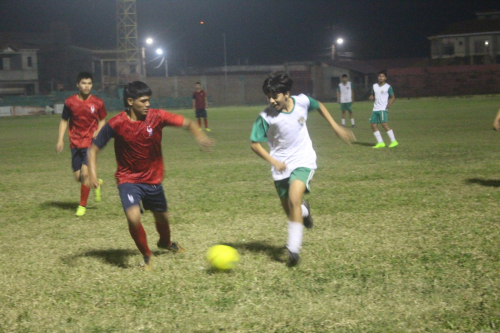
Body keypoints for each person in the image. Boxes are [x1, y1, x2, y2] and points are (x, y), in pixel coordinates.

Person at [87, 81, 214, 271]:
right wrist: (93, 175)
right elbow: (93, 149)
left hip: (153, 179)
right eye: (143, 101)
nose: (148, 104)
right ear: (130, 101)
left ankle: (166, 242)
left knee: (162, 218)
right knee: (133, 217)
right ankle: (147, 254)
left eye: (149, 101)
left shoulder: (157, 117)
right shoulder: (116, 123)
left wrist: (200, 137)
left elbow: (188, 123)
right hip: (128, 179)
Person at [250, 72, 355, 266]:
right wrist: (273, 161)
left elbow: (319, 106)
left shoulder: (302, 102)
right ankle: (305, 212)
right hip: (280, 166)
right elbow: (254, 144)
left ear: (287, 93)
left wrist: (336, 127)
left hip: (303, 160)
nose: (272, 100)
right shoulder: (266, 116)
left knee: (294, 197)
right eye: (269, 97)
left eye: (276, 96)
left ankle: (293, 250)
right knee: (292, 212)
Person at [55, 72, 107, 217]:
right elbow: (64, 121)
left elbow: (102, 119)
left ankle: (82, 206)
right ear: (78, 85)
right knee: (79, 177)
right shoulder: (70, 102)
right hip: (75, 143)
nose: (87, 86)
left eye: (89, 83)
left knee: (85, 174)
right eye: (84, 83)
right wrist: (60, 140)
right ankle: (96, 182)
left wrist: (99, 129)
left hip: (91, 143)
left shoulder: (98, 102)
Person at [369, 70, 398, 148]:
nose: (380, 77)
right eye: (379, 76)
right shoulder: (374, 86)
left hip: (382, 108)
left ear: (385, 78)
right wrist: (371, 97)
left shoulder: (388, 87)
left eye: (382, 76)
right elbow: (372, 94)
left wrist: (389, 104)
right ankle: (380, 142)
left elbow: (393, 97)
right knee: (373, 125)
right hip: (375, 108)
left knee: (384, 124)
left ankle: (394, 141)